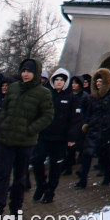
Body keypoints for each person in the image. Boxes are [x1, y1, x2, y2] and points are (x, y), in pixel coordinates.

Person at [0, 58, 53, 216]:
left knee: (20, 176)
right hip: (6, 139)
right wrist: (3, 122)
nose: (25, 74)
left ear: (35, 73)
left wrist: (31, 129)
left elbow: (48, 115)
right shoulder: (14, 88)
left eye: (29, 71)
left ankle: (16, 207)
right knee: (2, 175)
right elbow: (5, 107)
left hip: (25, 142)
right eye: (23, 71)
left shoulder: (43, 93)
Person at [32, 68, 77, 204]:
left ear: (66, 82)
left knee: (55, 167)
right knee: (37, 160)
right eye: (56, 80)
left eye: (61, 80)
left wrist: (71, 137)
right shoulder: (47, 95)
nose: (58, 82)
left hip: (60, 139)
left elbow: (75, 119)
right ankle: (41, 184)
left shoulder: (72, 98)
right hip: (44, 136)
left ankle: (50, 191)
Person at [76, 68, 110, 189]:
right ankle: (83, 180)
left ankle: (107, 176)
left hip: (105, 130)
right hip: (93, 128)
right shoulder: (92, 97)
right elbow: (89, 112)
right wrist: (86, 124)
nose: (98, 84)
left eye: (101, 81)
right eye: (97, 81)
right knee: (87, 154)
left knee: (105, 156)